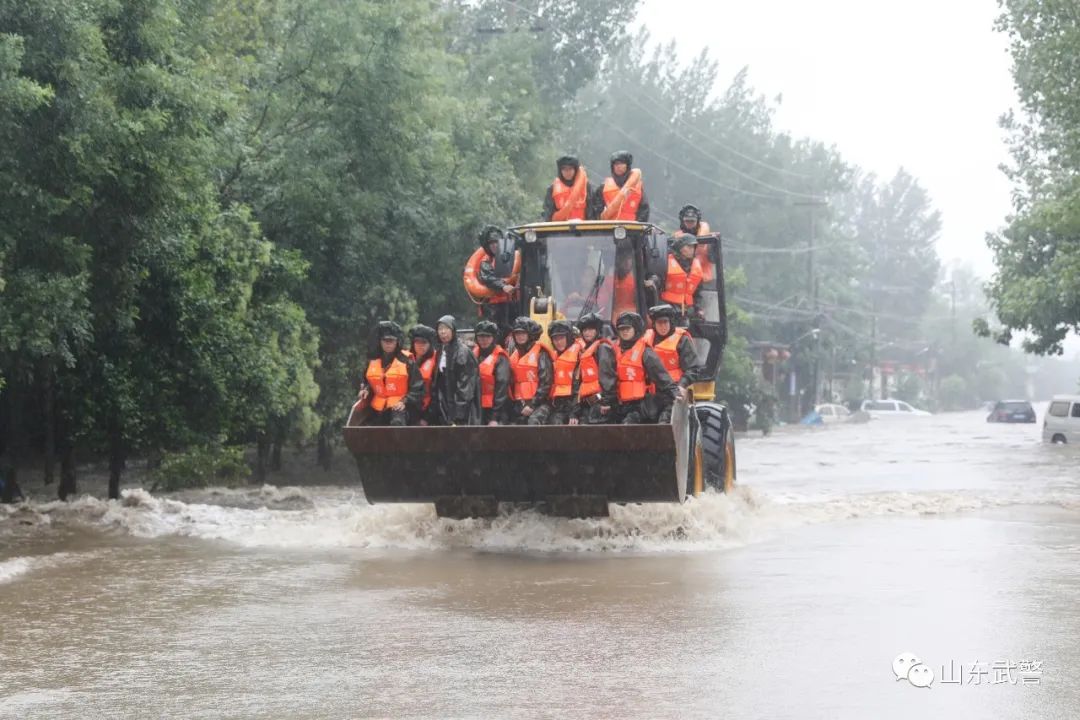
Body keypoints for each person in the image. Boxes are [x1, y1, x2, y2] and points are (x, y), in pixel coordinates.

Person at [607, 311, 676, 424]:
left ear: (635, 329)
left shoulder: (645, 352)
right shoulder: (614, 351)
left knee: (628, 425)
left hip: (642, 405)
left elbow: (662, 377)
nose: (624, 332)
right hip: (620, 404)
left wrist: (675, 393)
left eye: (628, 329)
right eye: (621, 329)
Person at [357, 321, 425, 426]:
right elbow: (367, 381)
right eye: (385, 340)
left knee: (397, 423)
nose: (388, 344)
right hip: (378, 407)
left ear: (397, 342)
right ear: (380, 341)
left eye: (391, 341)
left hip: (401, 407)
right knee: (365, 427)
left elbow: (418, 388)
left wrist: (405, 401)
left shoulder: (407, 361)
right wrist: (365, 389)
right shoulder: (372, 360)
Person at [644, 304, 705, 421]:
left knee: (666, 421)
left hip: (674, 393)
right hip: (652, 394)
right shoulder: (646, 339)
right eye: (659, 323)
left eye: (665, 322)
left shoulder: (682, 339)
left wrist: (682, 385)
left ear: (671, 322)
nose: (663, 327)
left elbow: (693, 368)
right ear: (654, 324)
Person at [463, 225, 519, 334]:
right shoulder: (485, 262)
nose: (494, 246)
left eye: (496, 242)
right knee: (496, 332)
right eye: (491, 243)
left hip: (510, 303)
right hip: (493, 307)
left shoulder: (509, 258)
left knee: (512, 329)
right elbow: (488, 278)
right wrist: (503, 286)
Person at [434, 315, 480, 426]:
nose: (443, 332)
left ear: (453, 330)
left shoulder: (462, 352)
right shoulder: (440, 351)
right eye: (440, 329)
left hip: (461, 410)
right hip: (445, 408)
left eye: (446, 328)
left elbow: (465, 386)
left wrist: (459, 414)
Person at [508, 316, 554, 425]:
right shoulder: (513, 355)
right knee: (509, 425)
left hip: (540, 403)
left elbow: (546, 383)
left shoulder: (541, 353)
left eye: (523, 333)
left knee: (533, 422)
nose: (520, 337)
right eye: (517, 334)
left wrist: (532, 404)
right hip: (519, 403)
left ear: (530, 335)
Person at [573, 312, 617, 425]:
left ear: (597, 331)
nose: (587, 333)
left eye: (591, 329)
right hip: (587, 403)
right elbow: (579, 381)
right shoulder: (584, 352)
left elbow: (607, 375)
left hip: (601, 403)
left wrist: (606, 401)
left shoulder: (603, 348)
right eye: (584, 330)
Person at [650, 234, 704, 320]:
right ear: (680, 247)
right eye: (689, 246)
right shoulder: (666, 261)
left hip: (686, 311)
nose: (692, 249)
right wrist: (653, 280)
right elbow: (658, 280)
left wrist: (699, 309)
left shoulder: (696, 267)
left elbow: (698, 293)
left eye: (693, 247)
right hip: (667, 308)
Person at [473, 320, 512, 426]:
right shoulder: (473, 355)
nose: (483, 340)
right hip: (478, 407)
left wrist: (494, 417)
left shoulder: (500, 358)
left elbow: (502, 388)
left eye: (487, 337)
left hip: (497, 409)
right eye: (480, 337)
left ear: (493, 338)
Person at [592, 150, 649, 222]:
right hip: (608, 230)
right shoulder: (603, 187)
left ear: (627, 166)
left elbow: (644, 210)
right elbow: (595, 210)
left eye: (622, 163)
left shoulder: (638, 187)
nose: (618, 166)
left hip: (631, 230)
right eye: (616, 164)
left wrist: (637, 228)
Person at [546, 320, 581, 425]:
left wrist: (574, 412)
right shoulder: (552, 357)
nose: (558, 342)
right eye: (555, 339)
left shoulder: (579, 355)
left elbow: (579, 386)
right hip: (558, 405)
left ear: (568, 338)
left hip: (576, 405)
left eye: (561, 338)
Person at [672, 203, 717, 283]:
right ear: (682, 221)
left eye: (692, 221)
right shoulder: (678, 237)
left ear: (697, 221)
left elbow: (714, 259)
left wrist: (711, 247)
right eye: (687, 221)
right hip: (685, 281)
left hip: (705, 282)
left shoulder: (708, 238)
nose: (689, 224)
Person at [542, 155, 594, 222]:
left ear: (575, 170)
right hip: (560, 229)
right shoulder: (552, 189)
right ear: (560, 171)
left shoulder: (586, 187)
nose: (567, 172)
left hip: (583, 228)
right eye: (564, 169)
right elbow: (548, 214)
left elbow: (591, 212)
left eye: (570, 169)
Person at [408, 324, 439, 426]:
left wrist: (427, 418)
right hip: (408, 407)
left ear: (430, 344)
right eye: (417, 342)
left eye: (424, 343)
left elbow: (438, 393)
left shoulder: (437, 361)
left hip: (429, 410)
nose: (420, 345)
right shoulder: (406, 359)